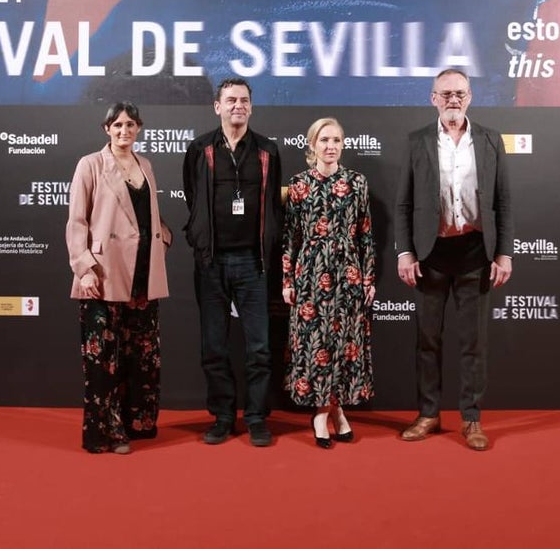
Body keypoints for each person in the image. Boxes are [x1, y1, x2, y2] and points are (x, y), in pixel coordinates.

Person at [394, 69, 514, 451]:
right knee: (427, 341)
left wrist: (504, 253)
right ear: (432, 98)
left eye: (459, 93)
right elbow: (404, 203)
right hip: (431, 255)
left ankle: (471, 419)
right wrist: (405, 251)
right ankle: (428, 414)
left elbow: (503, 202)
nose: (452, 100)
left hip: (476, 252)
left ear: (470, 97)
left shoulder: (491, 140)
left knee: (473, 343)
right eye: (445, 93)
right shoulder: (417, 141)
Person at [182, 78, 284, 447]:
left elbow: (273, 204)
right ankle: (223, 416)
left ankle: (256, 416)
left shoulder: (268, 151)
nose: (237, 106)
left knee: (259, 348)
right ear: (217, 106)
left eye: (243, 100)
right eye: (230, 100)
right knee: (215, 346)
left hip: (253, 263)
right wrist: (199, 235)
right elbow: (192, 197)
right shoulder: (199, 149)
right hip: (211, 263)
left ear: (251, 108)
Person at [66, 101, 172, 455]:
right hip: (103, 273)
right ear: (106, 129)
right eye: (117, 125)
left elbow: (144, 215)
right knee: (103, 359)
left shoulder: (147, 165)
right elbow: (77, 221)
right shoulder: (90, 165)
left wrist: (164, 236)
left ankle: (136, 422)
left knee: (140, 354)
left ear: (139, 128)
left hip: (143, 274)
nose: (124, 131)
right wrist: (83, 266)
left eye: (130, 125)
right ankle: (105, 431)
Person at [282, 117, 376, 448]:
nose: (330, 146)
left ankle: (337, 410)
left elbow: (365, 233)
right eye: (324, 140)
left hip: (349, 275)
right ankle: (321, 413)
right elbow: (290, 237)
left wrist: (368, 277)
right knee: (316, 344)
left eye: (336, 140)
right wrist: (287, 279)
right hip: (309, 275)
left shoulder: (357, 183)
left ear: (342, 144)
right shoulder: (298, 185)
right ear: (312, 145)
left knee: (343, 344)